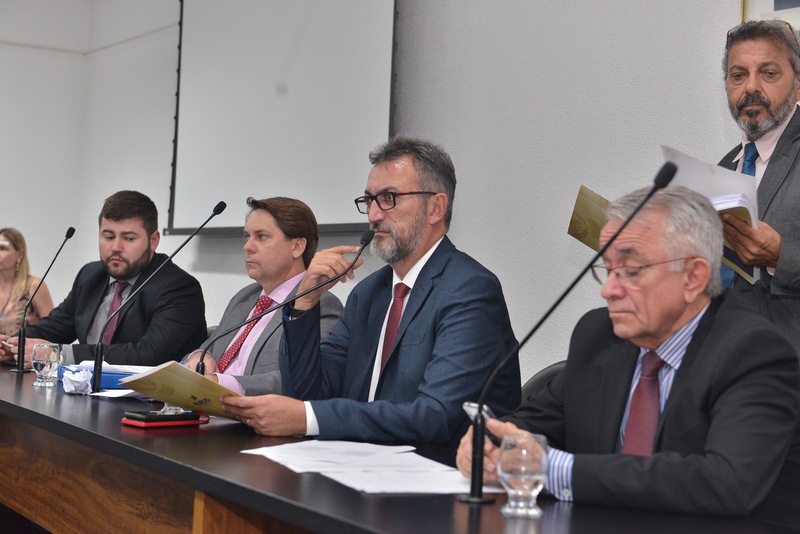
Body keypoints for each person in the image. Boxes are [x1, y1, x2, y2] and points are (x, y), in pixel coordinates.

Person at [456, 186, 800, 529]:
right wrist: (494, 444)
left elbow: (725, 483)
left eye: (631, 271)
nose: (608, 290)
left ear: (693, 277)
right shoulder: (599, 335)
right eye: (609, 269)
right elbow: (535, 422)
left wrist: (554, 469)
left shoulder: (753, 353)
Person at [220, 136, 520, 454]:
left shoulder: (469, 289)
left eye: (389, 198)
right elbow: (309, 392)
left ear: (435, 208)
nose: (374, 215)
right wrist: (304, 302)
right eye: (369, 200)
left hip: (433, 470)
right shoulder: (368, 293)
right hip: (356, 463)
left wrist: (308, 418)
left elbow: (436, 415)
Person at [0, 190, 208, 367]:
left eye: (129, 238)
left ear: (153, 241)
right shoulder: (91, 275)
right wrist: (10, 344)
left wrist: (58, 354)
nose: (116, 247)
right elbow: (55, 327)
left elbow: (147, 355)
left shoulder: (179, 288)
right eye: (108, 236)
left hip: (151, 399)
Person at [181, 197, 342, 395]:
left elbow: (303, 380)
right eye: (247, 236)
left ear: (297, 247)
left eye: (262, 236)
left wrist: (221, 383)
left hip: (246, 410)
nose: (247, 247)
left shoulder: (319, 304)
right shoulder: (246, 297)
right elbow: (209, 347)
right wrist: (199, 356)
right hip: (202, 403)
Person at [718, 19, 800, 354]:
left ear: (798, 84)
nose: (751, 87)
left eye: (768, 73)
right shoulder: (726, 166)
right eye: (738, 75)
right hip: (725, 361)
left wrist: (782, 256)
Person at [0, 228, 54, 336]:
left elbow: (53, 330)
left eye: (2, 248)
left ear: (20, 254)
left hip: (22, 346)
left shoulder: (34, 286)